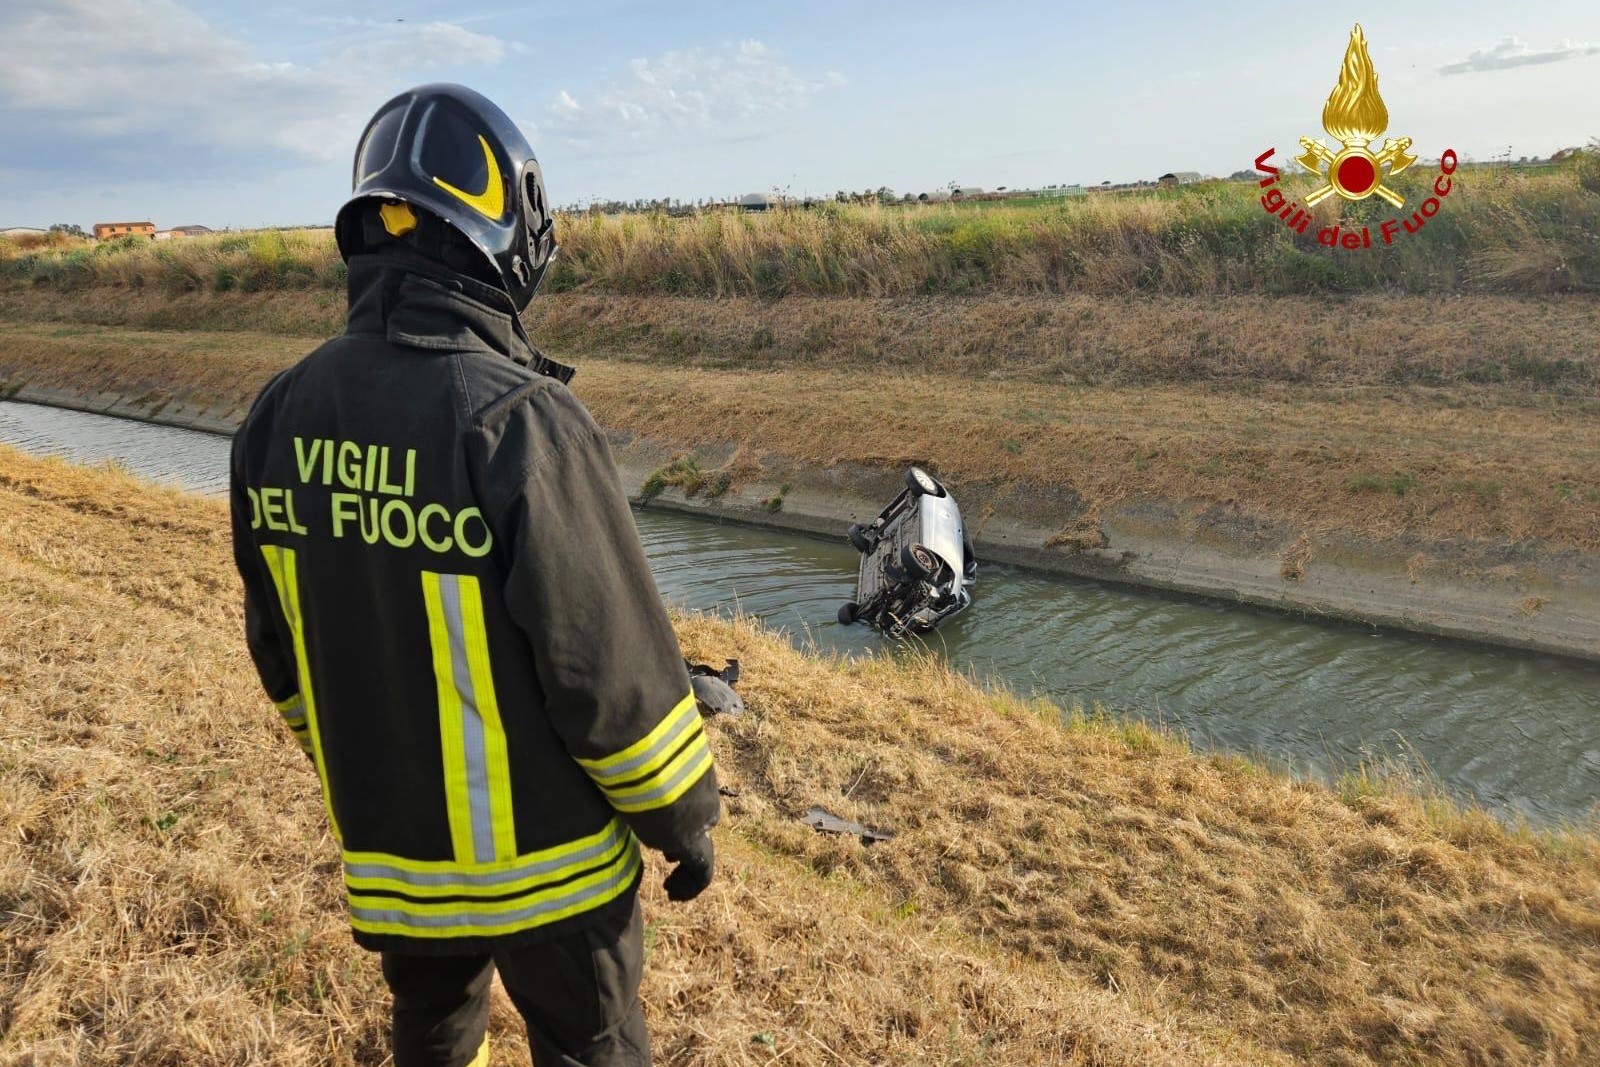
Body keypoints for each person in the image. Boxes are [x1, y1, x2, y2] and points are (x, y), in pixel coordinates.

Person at [228, 83, 720, 1067]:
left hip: (397, 861)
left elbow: (282, 658)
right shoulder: (520, 422)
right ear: (504, 233)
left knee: (438, 1034)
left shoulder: (276, 416)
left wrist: (366, 770)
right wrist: (685, 817)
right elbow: (606, 672)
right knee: (592, 1045)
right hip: (557, 874)